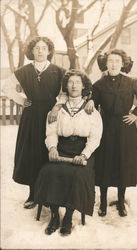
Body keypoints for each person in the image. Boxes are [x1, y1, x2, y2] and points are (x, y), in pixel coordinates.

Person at [34, 69, 103, 236]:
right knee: (49, 171)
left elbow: (95, 138)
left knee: (78, 175)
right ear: (66, 85)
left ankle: (69, 217)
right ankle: (55, 216)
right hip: (62, 149)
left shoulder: (90, 109)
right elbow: (50, 132)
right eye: (70, 82)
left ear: (83, 86)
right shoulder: (57, 109)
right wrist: (52, 148)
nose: (74, 85)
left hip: (81, 151)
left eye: (78, 82)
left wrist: (84, 154)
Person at [2, 36, 66, 209]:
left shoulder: (58, 71)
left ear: (49, 51)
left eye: (44, 48)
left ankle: (48, 194)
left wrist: (57, 106)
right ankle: (33, 194)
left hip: (51, 116)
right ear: (32, 51)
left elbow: (65, 91)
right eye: (37, 48)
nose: (40, 51)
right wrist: (22, 101)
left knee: (49, 151)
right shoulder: (24, 71)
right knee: (31, 153)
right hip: (31, 116)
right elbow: (6, 87)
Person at [86, 49, 137, 217]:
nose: (113, 64)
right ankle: (103, 202)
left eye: (117, 61)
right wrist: (91, 100)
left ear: (123, 64)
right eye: (110, 61)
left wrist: (135, 114)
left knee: (123, 163)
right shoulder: (99, 84)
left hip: (125, 129)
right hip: (105, 128)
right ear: (106, 64)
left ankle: (121, 202)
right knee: (104, 164)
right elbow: (92, 99)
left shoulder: (131, 82)